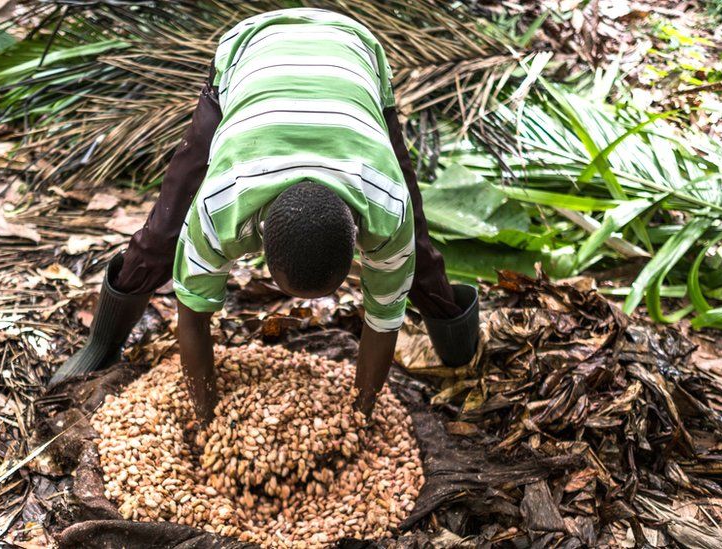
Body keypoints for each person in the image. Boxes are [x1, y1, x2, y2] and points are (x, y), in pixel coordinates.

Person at [49, 8, 479, 422]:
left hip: (356, 54)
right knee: (162, 233)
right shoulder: (222, 206)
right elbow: (193, 317)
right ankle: (103, 343)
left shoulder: (387, 208)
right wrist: (209, 420)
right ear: (257, 242)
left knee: (415, 248)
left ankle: (459, 351)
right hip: (249, 54)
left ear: (356, 238)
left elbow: (384, 323)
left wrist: (358, 417)